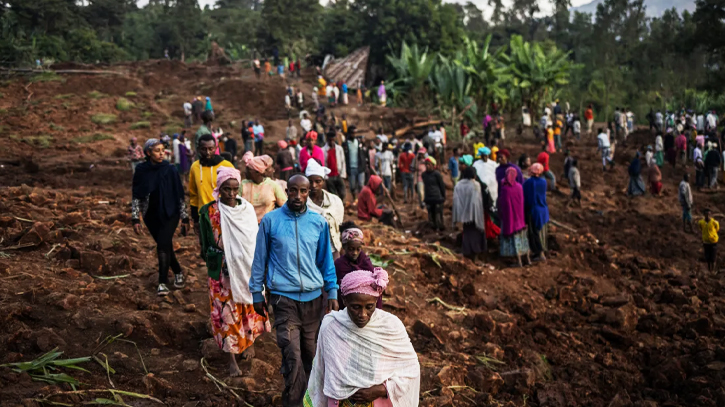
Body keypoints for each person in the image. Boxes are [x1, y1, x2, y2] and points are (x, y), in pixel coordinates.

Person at [250, 174, 339, 407]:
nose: (298, 196)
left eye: (303, 191)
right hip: (283, 299)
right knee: (292, 354)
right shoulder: (270, 221)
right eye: (292, 190)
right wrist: (256, 293)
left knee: (311, 355)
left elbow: (325, 261)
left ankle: (312, 400)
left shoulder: (318, 222)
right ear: (286, 191)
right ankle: (293, 402)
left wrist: (332, 291)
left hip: (313, 302)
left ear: (308, 192)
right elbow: (259, 259)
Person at [304, 267, 420, 407]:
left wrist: (381, 389)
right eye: (356, 307)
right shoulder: (331, 326)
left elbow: (411, 370)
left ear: (376, 301)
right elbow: (322, 370)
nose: (363, 314)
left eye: (369, 307)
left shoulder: (390, 326)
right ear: (345, 301)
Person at [199, 167, 270, 376]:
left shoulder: (246, 209)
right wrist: (221, 259)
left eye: (234, 189)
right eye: (226, 189)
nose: (230, 194)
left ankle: (249, 343)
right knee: (226, 313)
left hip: (247, 269)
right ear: (219, 188)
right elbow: (205, 244)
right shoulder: (209, 212)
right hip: (222, 274)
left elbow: (254, 240)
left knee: (249, 307)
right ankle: (232, 360)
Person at [131, 139, 189, 296]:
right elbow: (136, 195)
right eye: (157, 150)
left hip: (171, 213)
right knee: (166, 245)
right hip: (150, 215)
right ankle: (178, 272)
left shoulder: (170, 170)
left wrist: (184, 217)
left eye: (163, 150)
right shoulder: (141, 170)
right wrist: (135, 218)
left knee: (162, 246)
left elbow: (179, 194)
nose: (161, 153)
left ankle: (162, 282)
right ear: (148, 153)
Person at [190, 134, 235, 244]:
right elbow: (193, 194)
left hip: (224, 214)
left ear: (216, 148)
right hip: (204, 216)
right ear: (199, 149)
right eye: (204, 149)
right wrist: (195, 219)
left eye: (211, 149)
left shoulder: (226, 165)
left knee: (225, 248)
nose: (208, 152)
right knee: (206, 248)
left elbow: (236, 191)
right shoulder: (195, 167)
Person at [306, 160, 345, 258]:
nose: (314, 185)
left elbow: (339, 226)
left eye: (318, 181)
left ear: (323, 181)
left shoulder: (335, 201)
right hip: (310, 252)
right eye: (310, 182)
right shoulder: (302, 203)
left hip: (332, 248)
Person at [334, 223, 378, 308]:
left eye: (358, 249)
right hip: (346, 305)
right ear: (344, 247)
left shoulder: (365, 262)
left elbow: (374, 285)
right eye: (351, 249)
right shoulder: (339, 264)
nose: (355, 253)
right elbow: (338, 288)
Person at [240, 152, 287, 223]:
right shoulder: (243, 185)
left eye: (249, 170)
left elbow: (285, 206)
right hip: (246, 225)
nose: (245, 172)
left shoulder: (272, 185)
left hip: (268, 225)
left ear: (258, 172)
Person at [498, 167, 531, 267]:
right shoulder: (519, 187)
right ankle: (528, 259)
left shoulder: (505, 189)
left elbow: (503, 205)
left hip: (510, 219)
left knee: (514, 240)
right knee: (523, 239)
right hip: (520, 217)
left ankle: (519, 261)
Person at [452, 167, 486, 261]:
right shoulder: (476, 185)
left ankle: (467, 253)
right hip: (474, 216)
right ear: (474, 175)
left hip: (464, 216)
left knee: (466, 233)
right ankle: (475, 256)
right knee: (475, 235)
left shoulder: (458, 185)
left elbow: (456, 201)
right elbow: (477, 202)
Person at [524, 163, 549, 262]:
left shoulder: (528, 183)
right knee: (541, 232)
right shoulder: (543, 182)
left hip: (534, 210)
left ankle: (539, 253)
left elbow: (527, 198)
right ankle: (540, 252)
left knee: (533, 233)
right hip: (543, 210)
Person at [422, 157, 446, 231]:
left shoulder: (437, 174)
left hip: (437, 197)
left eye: (429, 164)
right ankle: (433, 228)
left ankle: (439, 227)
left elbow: (441, 186)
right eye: (426, 164)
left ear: (433, 165)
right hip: (429, 198)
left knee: (438, 214)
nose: (427, 166)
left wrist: (443, 196)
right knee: (430, 214)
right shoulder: (424, 175)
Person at [344, 132, 366, 201]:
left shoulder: (359, 142)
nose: (353, 134)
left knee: (361, 185)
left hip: (360, 167)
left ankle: (361, 200)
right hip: (351, 168)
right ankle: (355, 198)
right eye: (352, 133)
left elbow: (363, 154)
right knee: (352, 186)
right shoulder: (346, 144)